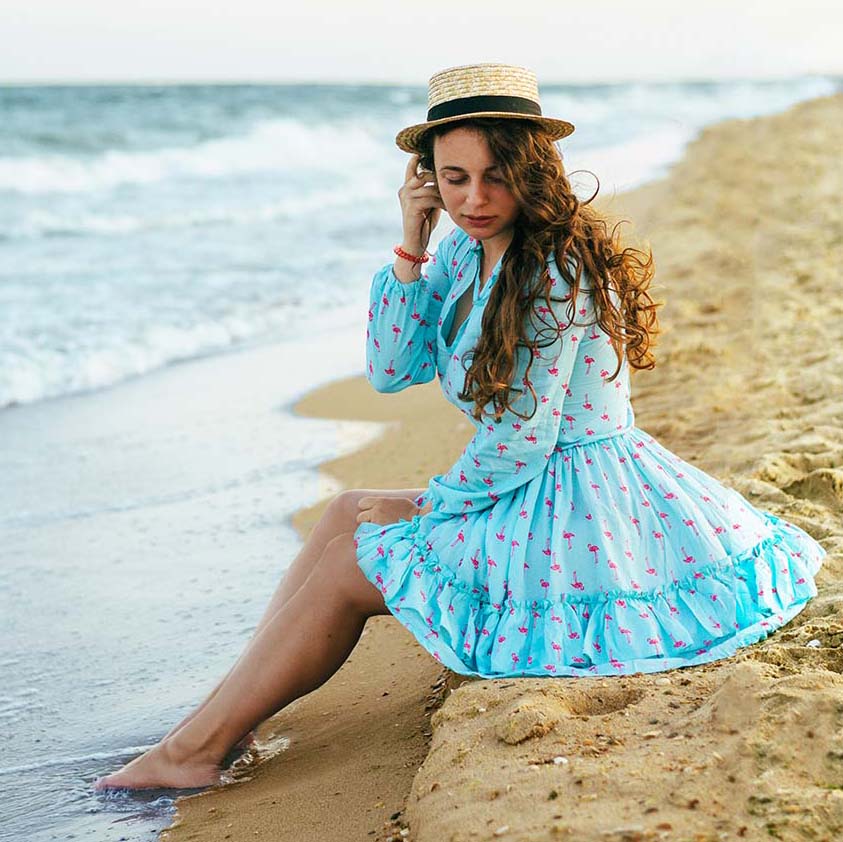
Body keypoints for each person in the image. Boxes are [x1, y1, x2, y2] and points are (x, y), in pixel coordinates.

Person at [95, 62, 826, 792]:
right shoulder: (462, 249)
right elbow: (390, 368)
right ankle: (234, 713)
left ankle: (194, 751)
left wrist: (435, 506)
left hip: (579, 504)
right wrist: (411, 244)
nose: (474, 198)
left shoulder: (554, 270)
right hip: (533, 490)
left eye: (494, 176)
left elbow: (522, 439)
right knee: (348, 512)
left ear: (532, 171)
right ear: (427, 178)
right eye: (452, 178)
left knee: (356, 560)